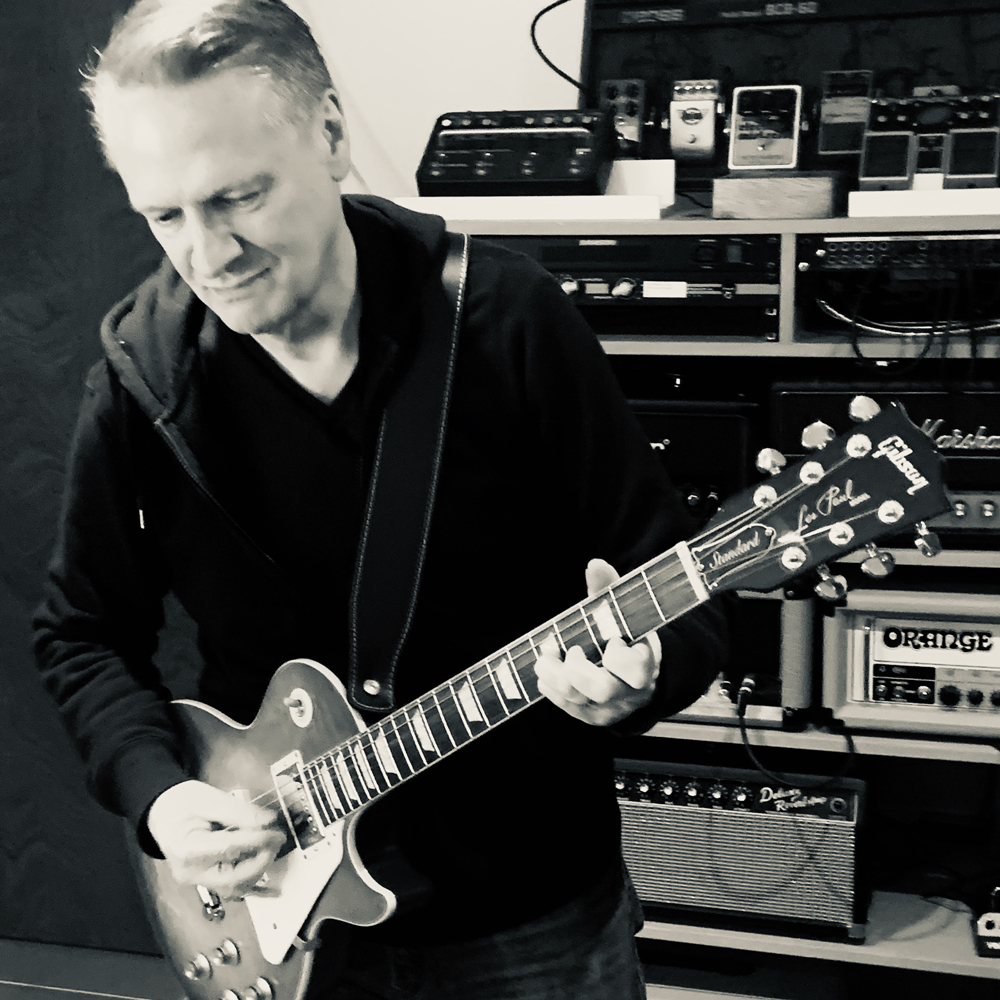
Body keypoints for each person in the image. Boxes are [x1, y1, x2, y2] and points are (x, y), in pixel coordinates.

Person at [33, 1, 730, 996]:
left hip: (524, 910)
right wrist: (163, 796)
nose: (208, 253)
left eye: (239, 197)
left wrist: (645, 668)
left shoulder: (506, 325)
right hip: (288, 915)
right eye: (164, 214)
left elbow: (681, 584)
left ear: (328, 134)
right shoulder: (143, 380)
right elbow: (81, 630)